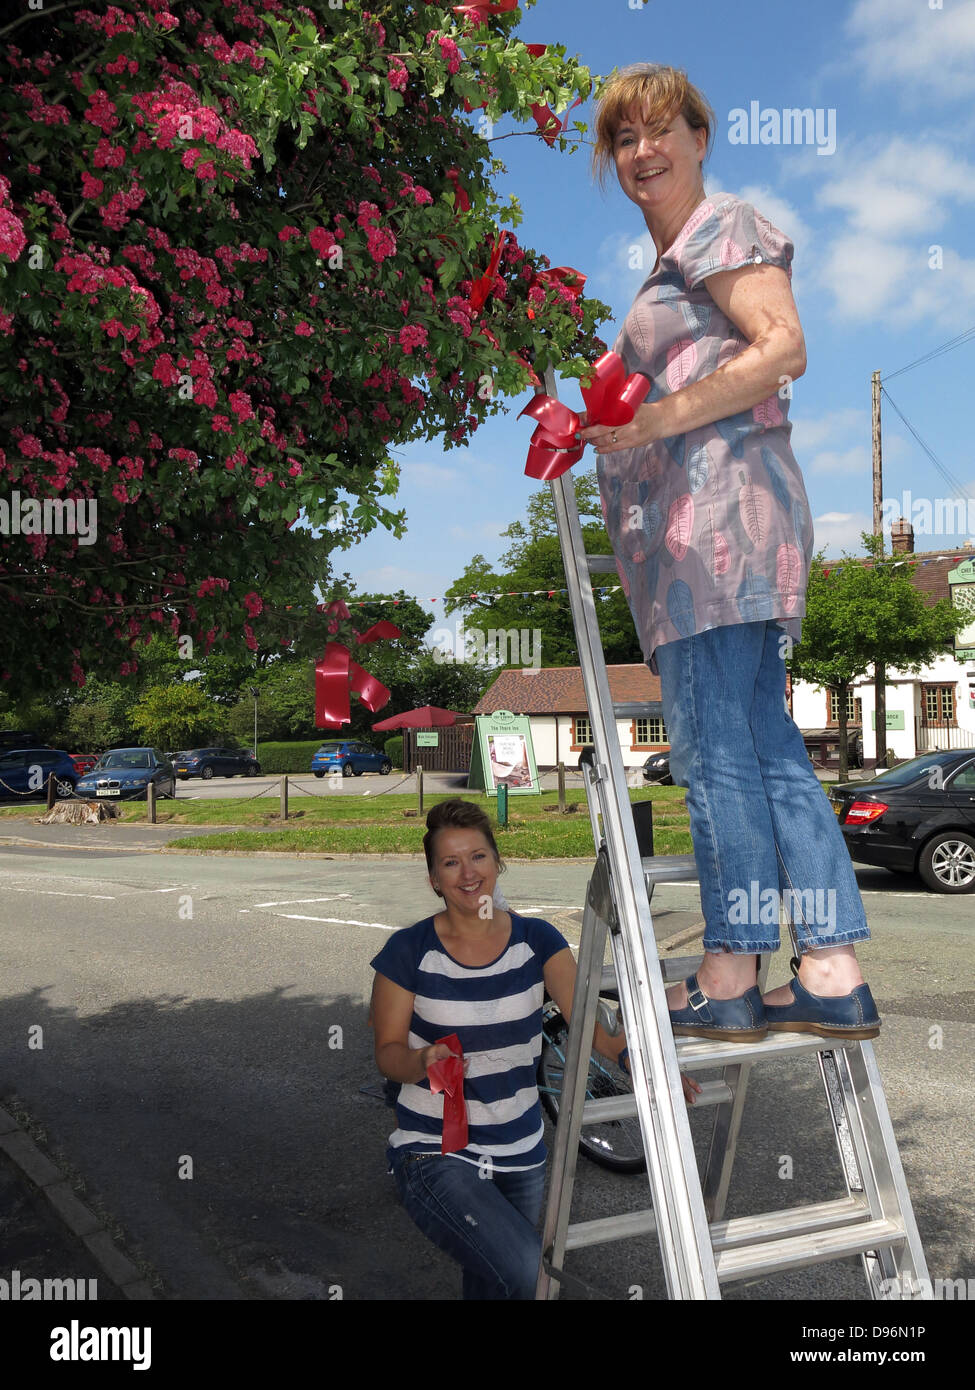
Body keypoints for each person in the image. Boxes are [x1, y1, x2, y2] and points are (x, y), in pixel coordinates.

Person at [577, 64, 880, 1042]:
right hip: (706, 540)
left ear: (701, 138)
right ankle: (829, 967)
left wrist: (655, 414)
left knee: (715, 757)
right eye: (624, 137)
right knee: (763, 746)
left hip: (714, 535)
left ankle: (730, 967)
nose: (643, 150)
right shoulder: (669, 272)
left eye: (662, 129)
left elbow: (782, 344)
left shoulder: (723, 227)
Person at [369, 796, 699, 1300]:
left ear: (498, 862)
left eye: (478, 856)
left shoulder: (536, 940)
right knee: (530, 1276)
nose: (467, 873)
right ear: (434, 878)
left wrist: (646, 1067)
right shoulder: (407, 951)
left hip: (521, 1150)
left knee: (493, 1284)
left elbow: (588, 1024)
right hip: (435, 1151)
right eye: (450, 862)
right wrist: (419, 1061)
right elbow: (387, 1051)